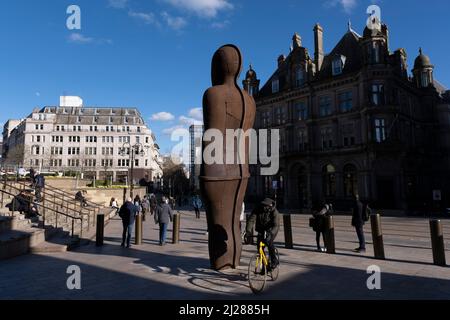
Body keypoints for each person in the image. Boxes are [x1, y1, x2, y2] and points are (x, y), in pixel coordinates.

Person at [245, 198, 280, 270]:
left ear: (270, 205)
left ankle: (274, 260)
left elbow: (276, 225)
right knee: (260, 248)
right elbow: (251, 220)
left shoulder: (274, 212)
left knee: (269, 242)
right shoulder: (258, 209)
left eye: (265, 205)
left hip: (271, 230)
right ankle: (264, 267)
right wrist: (248, 231)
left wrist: (270, 233)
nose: (264, 207)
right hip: (261, 230)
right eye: (263, 205)